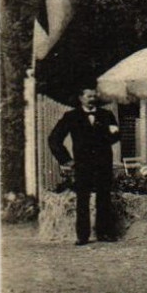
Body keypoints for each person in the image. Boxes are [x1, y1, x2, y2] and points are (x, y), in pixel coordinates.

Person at [49, 86, 121, 245]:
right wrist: (66, 160)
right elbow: (54, 139)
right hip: (83, 164)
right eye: (89, 96)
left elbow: (115, 136)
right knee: (82, 199)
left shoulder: (106, 115)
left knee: (104, 196)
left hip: (103, 163)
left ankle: (105, 233)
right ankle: (82, 236)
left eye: (94, 96)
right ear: (81, 98)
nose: (92, 99)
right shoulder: (71, 116)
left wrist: (104, 137)